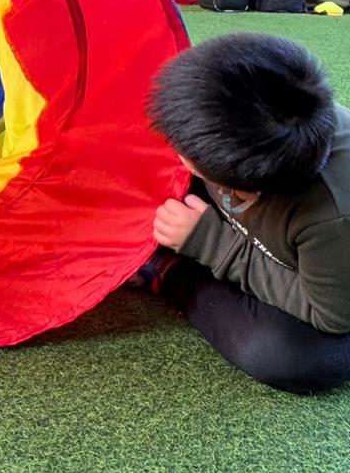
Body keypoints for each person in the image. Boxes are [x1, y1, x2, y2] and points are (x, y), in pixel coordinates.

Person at [145, 32, 350, 394]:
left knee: (293, 357)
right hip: (280, 231)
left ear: (243, 189)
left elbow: (331, 314)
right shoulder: (262, 130)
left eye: (184, 153)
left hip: (332, 291)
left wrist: (211, 244)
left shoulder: (331, 215)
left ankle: (172, 273)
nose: (175, 150)